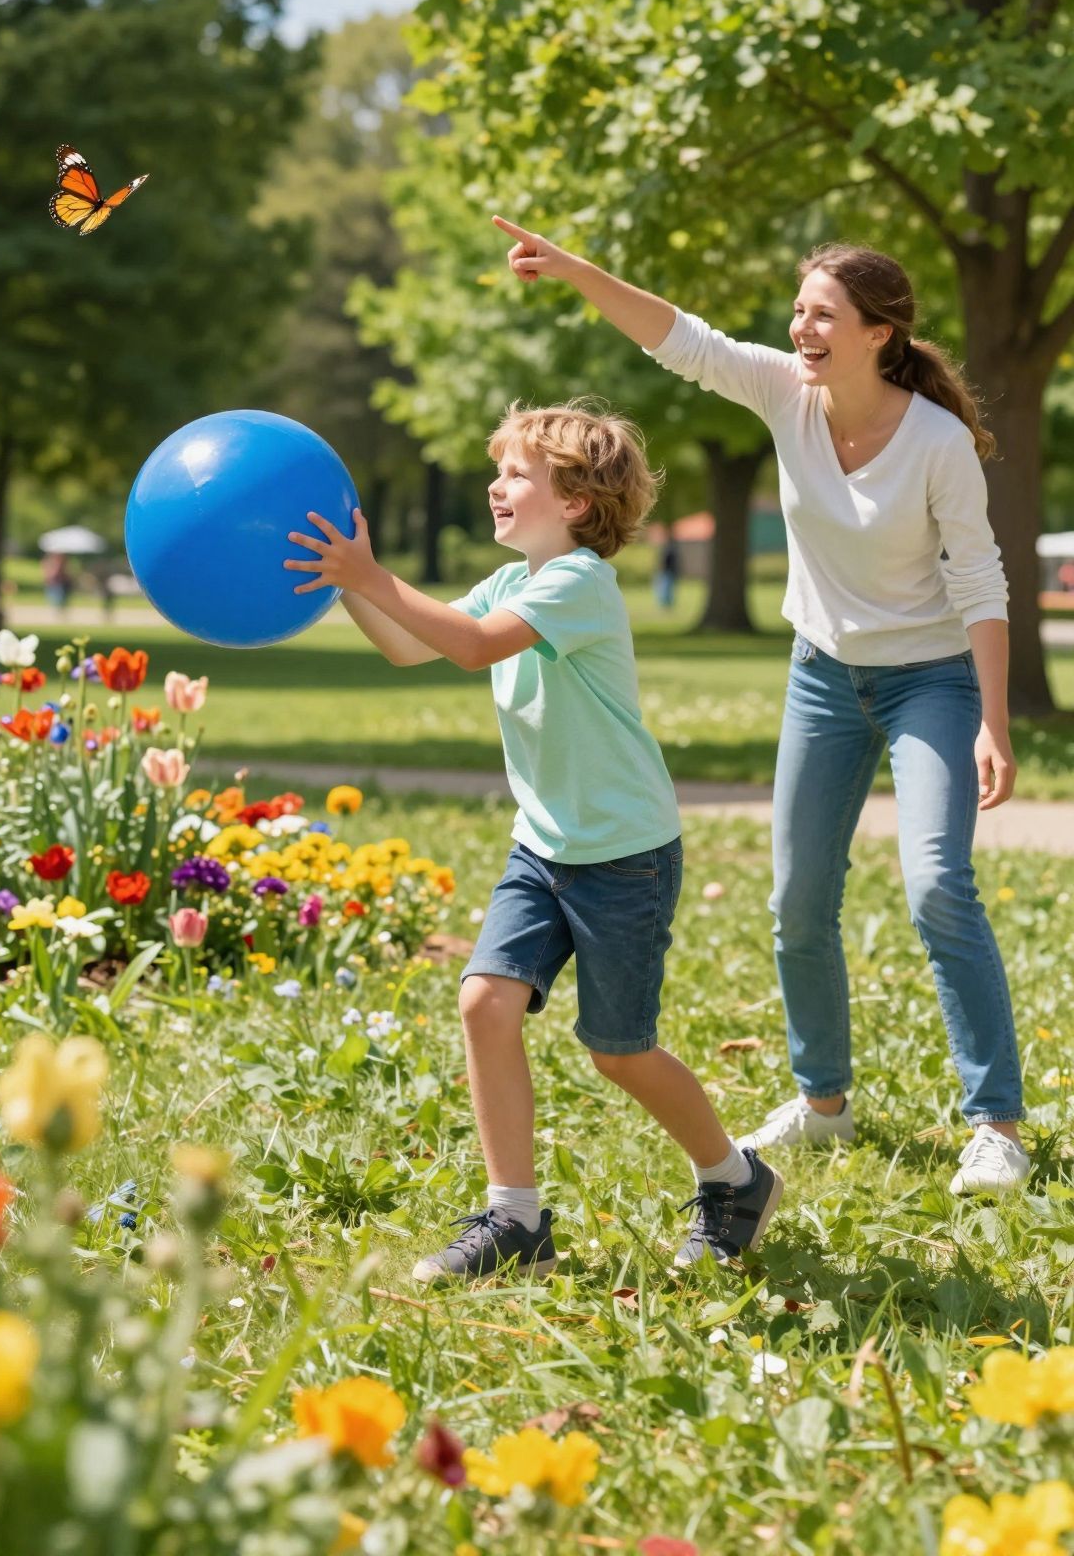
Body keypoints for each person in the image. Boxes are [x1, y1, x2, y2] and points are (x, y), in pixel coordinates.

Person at [492, 218, 1027, 1197]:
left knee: (936, 883)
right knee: (796, 899)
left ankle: (996, 1122)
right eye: (798, 311)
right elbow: (679, 337)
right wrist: (574, 272)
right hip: (822, 673)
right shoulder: (787, 391)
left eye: (822, 314)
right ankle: (825, 1100)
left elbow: (981, 577)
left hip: (930, 680)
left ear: (879, 331)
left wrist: (993, 716)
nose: (801, 328)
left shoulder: (937, 440)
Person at [284, 401, 784, 1280]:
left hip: (624, 854)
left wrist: (367, 573)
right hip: (543, 846)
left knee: (618, 1050)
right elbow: (411, 645)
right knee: (484, 1002)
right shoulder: (513, 580)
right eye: (500, 470)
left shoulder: (578, 583)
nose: (495, 483)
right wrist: (346, 582)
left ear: (580, 505)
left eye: (518, 473)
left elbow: (473, 648)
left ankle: (734, 1178)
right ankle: (514, 1219)